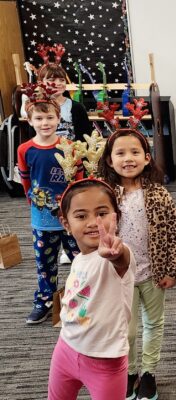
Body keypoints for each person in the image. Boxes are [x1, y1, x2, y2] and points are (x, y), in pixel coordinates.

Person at [98, 127, 176, 400]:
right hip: (119, 275)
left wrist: (173, 269)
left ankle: (148, 372)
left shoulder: (159, 194)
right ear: (110, 160)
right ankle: (130, 371)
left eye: (135, 152)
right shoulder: (106, 195)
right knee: (129, 329)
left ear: (147, 158)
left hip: (153, 273)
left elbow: (174, 233)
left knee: (154, 323)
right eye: (120, 153)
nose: (128, 158)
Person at [47, 179, 135, 400]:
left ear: (117, 215)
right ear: (65, 223)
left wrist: (116, 252)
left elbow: (121, 259)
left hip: (105, 361)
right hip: (66, 348)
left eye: (102, 213)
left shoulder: (115, 255)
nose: (93, 222)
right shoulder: (78, 259)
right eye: (80, 216)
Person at [17, 87, 81, 325]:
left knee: (80, 259)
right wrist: (31, 200)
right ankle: (44, 300)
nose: (45, 123)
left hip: (70, 217)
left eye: (50, 117)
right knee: (45, 263)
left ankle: (82, 299)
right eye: (39, 118)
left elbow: (78, 178)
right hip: (42, 218)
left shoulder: (69, 146)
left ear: (58, 118)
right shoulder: (25, 149)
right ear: (30, 120)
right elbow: (25, 178)